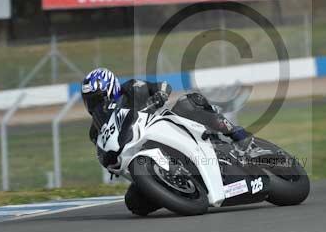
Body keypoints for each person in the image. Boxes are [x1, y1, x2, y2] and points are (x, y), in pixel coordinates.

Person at [81, 67, 252, 171]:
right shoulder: (95, 130)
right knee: (134, 203)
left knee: (189, 101)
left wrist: (160, 95)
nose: (94, 104)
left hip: (164, 125)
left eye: (97, 98)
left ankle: (237, 135)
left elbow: (162, 86)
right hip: (139, 153)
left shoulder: (130, 88)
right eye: (90, 101)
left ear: (110, 89)